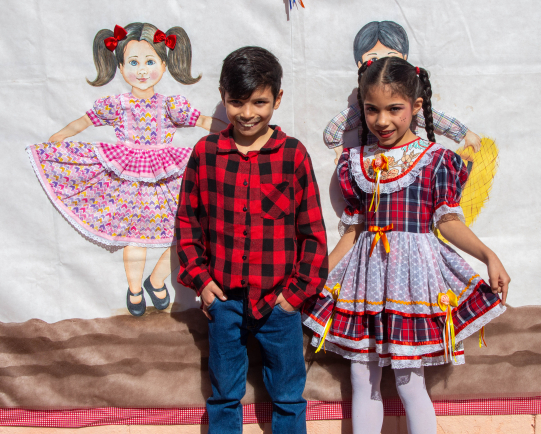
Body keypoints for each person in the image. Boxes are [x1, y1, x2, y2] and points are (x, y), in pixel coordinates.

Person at [302, 56, 510, 434]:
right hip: (364, 285)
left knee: (409, 382)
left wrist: (489, 256)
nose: (382, 120)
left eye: (394, 109)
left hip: (411, 284)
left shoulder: (435, 160)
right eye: (372, 109)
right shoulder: (355, 162)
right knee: (361, 378)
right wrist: (318, 276)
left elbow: (448, 221)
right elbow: (352, 231)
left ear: (415, 106)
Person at [175, 46, 328, 434]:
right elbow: (188, 223)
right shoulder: (206, 153)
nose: (247, 113)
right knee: (224, 393)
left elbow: (312, 233)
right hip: (224, 302)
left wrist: (294, 297)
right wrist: (202, 283)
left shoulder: (293, 155)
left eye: (259, 102)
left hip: (279, 303)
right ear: (223, 96)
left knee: (289, 395)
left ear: (277, 98)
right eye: (236, 102)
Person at [25, 23, 220, 316]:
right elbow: (85, 121)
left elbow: (203, 120)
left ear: (164, 65)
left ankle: (156, 280)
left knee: (181, 234)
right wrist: (61, 136)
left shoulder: (170, 105)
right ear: (120, 67)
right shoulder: (117, 105)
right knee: (134, 236)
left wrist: (232, 132)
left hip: (166, 177)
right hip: (127, 176)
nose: (142, 70)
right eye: (133, 62)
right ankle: (135, 289)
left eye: (150, 62)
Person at [324, 20, 482, 164]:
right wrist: (339, 152)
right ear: (360, 64)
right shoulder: (362, 113)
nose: (382, 121)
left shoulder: (424, 161)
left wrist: (464, 133)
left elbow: (437, 119)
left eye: (394, 109)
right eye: (374, 59)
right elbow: (334, 127)